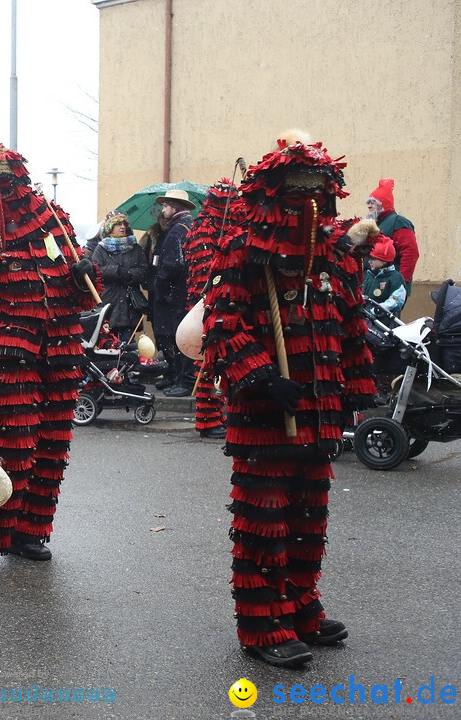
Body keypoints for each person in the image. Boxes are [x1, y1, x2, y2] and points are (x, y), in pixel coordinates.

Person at [202, 131, 377, 669]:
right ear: (276, 194)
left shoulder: (335, 259)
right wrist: (259, 377)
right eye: (298, 193)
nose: (309, 205)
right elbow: (221, 323)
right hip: (266, 419)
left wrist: (354, 390)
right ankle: (262, 625)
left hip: (319, 414)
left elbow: (350, 327)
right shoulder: (245, 252)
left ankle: (301, 607)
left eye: (318, 193)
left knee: (308, 520)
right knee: (265, 522)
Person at [0, 136, 95, 562]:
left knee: (52, 444)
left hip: (63, 347)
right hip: (8, 354)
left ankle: (29, 529)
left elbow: (85, 295)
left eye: (7, 176)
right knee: (14, 442)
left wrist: (86, 273)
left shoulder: (53, 219)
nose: (2, 187)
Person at [184, 180, 243, 439]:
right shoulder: (204, 229)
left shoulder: (225, 227)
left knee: (223, 361)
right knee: (208, 362)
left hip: (223, 300)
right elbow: (204, 271)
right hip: (207, 303)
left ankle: (219, 414)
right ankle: (207, 421)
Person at [152, 189, 197, 397]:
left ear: (175, 206)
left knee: (178, 337)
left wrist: (159, 285)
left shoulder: (178, 230)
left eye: (165, 206)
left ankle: (185, 380)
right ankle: (177, 376)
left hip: (174, 295)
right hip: (182, 293)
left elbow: (173, 265)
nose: (163, 210)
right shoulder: (188, 226)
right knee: (178, 336)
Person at [89, 210, 149, 342]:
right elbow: (96, 271)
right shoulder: (101, 249)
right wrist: (117, 271)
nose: (122, 227)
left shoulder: (136, 248)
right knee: (109, 345)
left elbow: (144, 271)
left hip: (130, 307)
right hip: (109, 305)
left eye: (124, 224)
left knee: (129, 346)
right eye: (118, 224)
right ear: (110, 228)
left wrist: (129, 274)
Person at [366, 178, 418, 304]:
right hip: (373, 285)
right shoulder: (376, 224)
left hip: (390, 289)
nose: (369, 206)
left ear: (383, 204)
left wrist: (401, 283)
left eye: (373, 202)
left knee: (387, 322)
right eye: (368, 202)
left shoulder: (398, 222)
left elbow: (410, 253)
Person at [362, 238, 406, 315]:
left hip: (384, 321)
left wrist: (378, 309)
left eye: (373, 259)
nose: (369, 262)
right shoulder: (368, 275)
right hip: (365, 316)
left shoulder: (395, 279)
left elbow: (396, 300)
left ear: (384, 261)